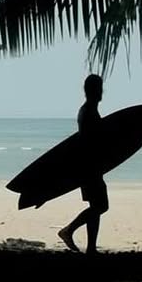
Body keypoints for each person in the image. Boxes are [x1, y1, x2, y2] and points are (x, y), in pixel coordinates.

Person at [58, 74, 107, 255]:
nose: (101, 92)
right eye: (99, 88)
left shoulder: (88, 110)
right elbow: (89, 142)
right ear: (92, 91)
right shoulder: (88, 112)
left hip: (91, 166)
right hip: (89, 167)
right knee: (101, 206)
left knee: (96, 206)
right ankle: (68, 230)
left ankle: (91, 248)